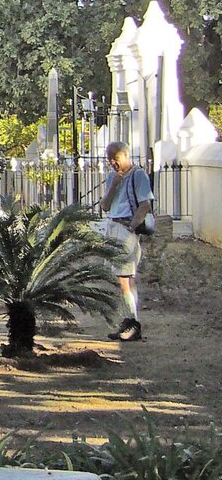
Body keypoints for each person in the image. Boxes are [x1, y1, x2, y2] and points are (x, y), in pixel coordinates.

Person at [100, 141, 154, 343]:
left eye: (115, 158)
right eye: (110, 160)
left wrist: (132, 226)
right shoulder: (112, 178)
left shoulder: (138, 175)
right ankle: (128, 320)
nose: (113, 163)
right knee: (123, 279)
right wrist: (113, 184)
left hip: (125, 230)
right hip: (113, 226)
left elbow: (145, 204)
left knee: (124, 278)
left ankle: (133, 323)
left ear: (124, 155)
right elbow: (105, 206)